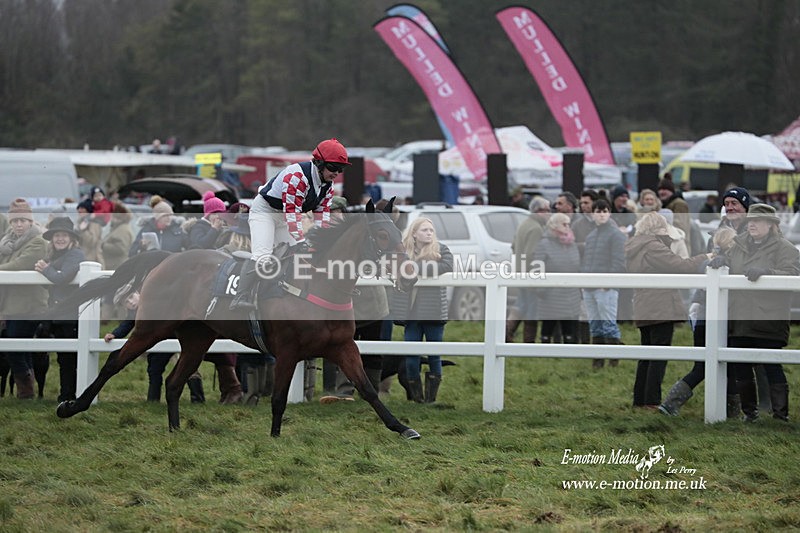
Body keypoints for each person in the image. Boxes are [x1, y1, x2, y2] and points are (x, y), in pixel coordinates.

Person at [230, 138, 347, 311]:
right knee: (263, 255)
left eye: (341, 169)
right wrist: (301, 241)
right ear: (319, 163)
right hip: (265, 213)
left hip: (284, 217)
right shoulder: (297, 176)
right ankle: (240, 296)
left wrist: (323, 242)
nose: (336, 173)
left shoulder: (327, 186)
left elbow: (322, 217)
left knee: (294, 257)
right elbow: (291, 213)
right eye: (333, 167)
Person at [624, 212, 711, 409]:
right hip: (660, 305)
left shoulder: (635, 246)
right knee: (659, 355)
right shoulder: (653, 246)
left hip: (643, 304)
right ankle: (652, 401)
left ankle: (640, 399)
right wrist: (705, 257)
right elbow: (680, 265)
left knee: (647, 353)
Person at [725, 203, 800, 421]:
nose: (752, 225)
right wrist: (720, 263)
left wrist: (768, 273)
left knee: (771, 364)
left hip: (768, 316)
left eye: (757, 221)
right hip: (740, 316)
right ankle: (750, 414)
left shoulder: (785, 248)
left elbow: (793, 275)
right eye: (750, 221)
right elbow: (729, 263)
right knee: (741, 365)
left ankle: (780, 416)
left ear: (770, 225)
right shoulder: (738, 245)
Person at [659, 227, 738, 417]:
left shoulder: (711, 262)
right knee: (727, 366)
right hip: (718, 321)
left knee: (704, 366)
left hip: (703, 320)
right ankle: (732, 411)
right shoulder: (723, 264)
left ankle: (671, 402)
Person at [390, 217, 453, 403]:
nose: (429, 233)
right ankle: (417, 399)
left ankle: (431, 399)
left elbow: (447, 266)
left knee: (434, 355)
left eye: (431, 230)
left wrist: (415, 267)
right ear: (414, 233)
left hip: (433, 311)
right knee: (411, 356)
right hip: (410, 314)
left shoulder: (442, 249)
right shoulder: (403, 251)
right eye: (424, 230)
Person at [0, 199, 48, 399]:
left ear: (30, 222)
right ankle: (28, 386)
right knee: (21, 346)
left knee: (15, 345)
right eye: (15, 221)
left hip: (30, 304)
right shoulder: (5, 243)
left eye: (23, 220)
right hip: (9, 303)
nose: (19, 224)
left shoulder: (39, 241)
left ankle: (25, 389)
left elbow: (20, 264)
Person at [34, 217, 85, 402]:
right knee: (64, 357)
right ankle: (67, 395)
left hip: (71, 314)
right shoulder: (55, 256)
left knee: (68, 358)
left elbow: (63, 277)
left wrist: (46, 269)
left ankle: (68, 396)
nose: (60, 239)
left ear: (72, 238)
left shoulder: (75, 255)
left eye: (64, 235)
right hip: (58, 313)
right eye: (57, 235)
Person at [581, 198, 627, 369]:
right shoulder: (591, 236)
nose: (601, 214)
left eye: (605, 211)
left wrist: (608, 282)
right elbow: (586, 261)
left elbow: (619, 261)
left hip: (605, 288)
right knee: (595, 324)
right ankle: (598, 361)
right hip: (590, 287)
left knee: (608, 323)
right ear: (592, 214)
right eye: (598, 211)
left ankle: (614, 359)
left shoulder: (616, 235)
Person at [506, 196, 550, 343]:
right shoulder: (536, 228)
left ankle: (507, 331)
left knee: (521, 304)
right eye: (546, 210)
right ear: (537, 211)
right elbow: (532, 254)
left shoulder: (524, 224)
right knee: (531, 310)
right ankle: (528, 342)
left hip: (520, 272)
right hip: (530, 275)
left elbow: (513, 246)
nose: (549, 214)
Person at [533, 213, 581, 344]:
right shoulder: (544, 244)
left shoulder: (571, 243)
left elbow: (577, 264)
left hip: (570, 292)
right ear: (554, 226)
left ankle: (568, 352)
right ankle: (546, 351)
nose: (567, 227)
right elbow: (537, 267)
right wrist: (542, 289)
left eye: (568, 224)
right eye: (564, 224)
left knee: (569, 324)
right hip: (551, 293)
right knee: (549, 323)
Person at [657, 176, 691, 251]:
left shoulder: (679, 204)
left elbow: (680, 226)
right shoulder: (664, 204)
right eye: (660, 189)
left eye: (665, 189)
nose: (662, 192)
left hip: (678, 246)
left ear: (671, 191)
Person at [101, 201, 133, 271]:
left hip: (116, 267)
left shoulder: (123, 230)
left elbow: (121, 248)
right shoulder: (116, 228)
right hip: (112, 266)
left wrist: (103, 245)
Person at [76, 198, 105, 267]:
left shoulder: (94, 223)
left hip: (92, 261)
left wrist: (83, 231)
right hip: (82, 259)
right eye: (79, 209)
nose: (79, 210)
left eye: (82, 209)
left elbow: (92, 242)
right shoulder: (81, 222)